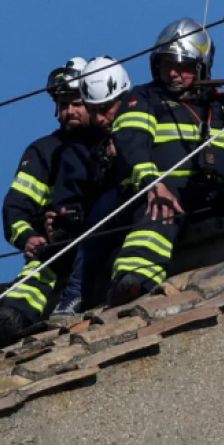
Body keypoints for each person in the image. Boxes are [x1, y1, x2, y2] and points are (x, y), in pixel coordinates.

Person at [108, 18, 224, 306]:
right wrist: (153, 183)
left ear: (201, 67)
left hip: (216, 197)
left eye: (182, 66)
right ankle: (133, 279)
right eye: (165, 64)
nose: (172, 73)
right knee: (160, 211)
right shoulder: (144, 98)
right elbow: (131, 140)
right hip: (161, 195)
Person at [0, 58, 94, 347]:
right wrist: (29, 237)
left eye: (77, 103)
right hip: (55, 247)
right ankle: (13, 316)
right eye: (63, 105)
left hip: (97, 237)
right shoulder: (43, 152)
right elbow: (16, 206)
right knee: (36, 270)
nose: (69, 111)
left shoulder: (110, 139)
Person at [51, 55, 135, 315]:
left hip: (156, 199)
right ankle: (75, 293)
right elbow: (74, 195)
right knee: (104, 209)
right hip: (111, 213)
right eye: (94, 110)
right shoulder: (79, 148)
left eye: (105, 109)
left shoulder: (145, 111)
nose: (99, 118)